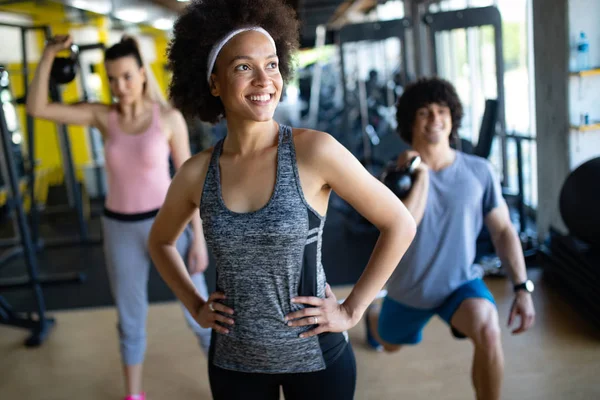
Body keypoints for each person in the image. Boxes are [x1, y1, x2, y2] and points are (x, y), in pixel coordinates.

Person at [147, 0, 416, 399]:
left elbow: (400, 223)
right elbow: (160, 241)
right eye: (243, 67)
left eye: (271, 64)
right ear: (214, 83)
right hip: (233, 363)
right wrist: (196, 305)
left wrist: (351, 309)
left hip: (317, 361)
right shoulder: (196, 172)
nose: (263, 79)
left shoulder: (314, 152)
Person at [26, 34, 212, 400]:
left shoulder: (169, 119)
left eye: (127, 76)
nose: (119, 86)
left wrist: (200, 241)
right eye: (111, 79)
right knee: (130, 321)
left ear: (143, 74)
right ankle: (133, 395)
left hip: (169, 227)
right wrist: (48, 53)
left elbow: (191, 184)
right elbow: (37, 108)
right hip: (120, 229)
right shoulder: (103, 116)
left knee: (202, 315)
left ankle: (225, 386)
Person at [365, 77, 536, 400]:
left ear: (453, 118)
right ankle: (375, 316)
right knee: (389, 345)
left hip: (459, 285)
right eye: (424, 112)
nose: (435, 119)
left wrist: (521, 287)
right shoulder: (395, 176)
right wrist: (421, 175)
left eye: (442, 111)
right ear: (410, 122)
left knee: (488, 327)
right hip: (408, 290)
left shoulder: (480, 171)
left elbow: (502, 230)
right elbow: (405, 224)